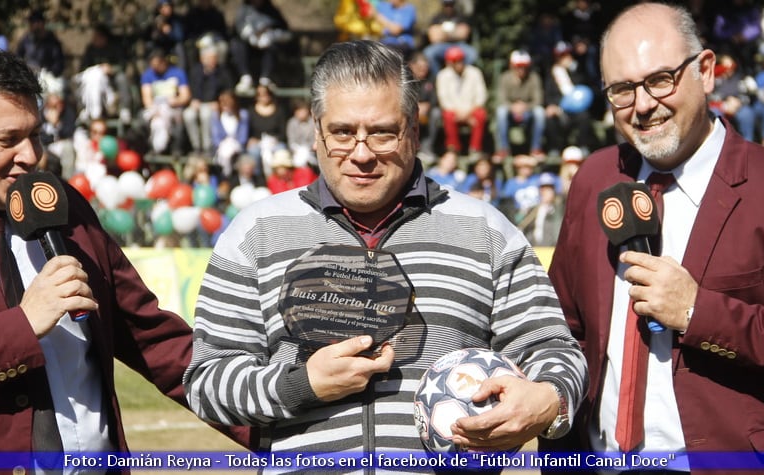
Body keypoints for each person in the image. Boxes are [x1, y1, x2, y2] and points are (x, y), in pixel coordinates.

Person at [184, 40, 586, 459]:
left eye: (381, 133)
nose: (361, 154)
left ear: (412, 130)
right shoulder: (256, 233)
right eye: (342, 133)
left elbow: (553, 350)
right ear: (317, 133)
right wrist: (301, 386)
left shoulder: (486, 231)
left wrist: (548, 400)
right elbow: (207, 383)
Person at [0, 42, 251, 467]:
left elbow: (152, 338)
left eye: (35, 135)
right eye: (7, 140)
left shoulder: (61, 204)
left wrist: (272, 425)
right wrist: (21, 326)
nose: (31, 156)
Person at [543, 2, 764, 470]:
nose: (641, 105)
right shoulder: (595, 177)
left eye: (660, 80)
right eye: (621, 89)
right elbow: (563, 326)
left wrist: (699, 312)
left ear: (707, 71)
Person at [230, 0, 292, 94]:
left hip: (267, 47)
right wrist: (252, 38)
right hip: (248, 49)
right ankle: (245, 77)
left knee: (273, 47)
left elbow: (284, 31)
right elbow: (238, 30)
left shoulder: (271, 11)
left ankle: (265, 79)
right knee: (236, 45)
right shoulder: (243, 10)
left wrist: (270, 35)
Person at [435, 45, 488, 156]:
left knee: (481, 115)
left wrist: (467, 114)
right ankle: (454, 148)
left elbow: (481, 96)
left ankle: (475, 149)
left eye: (460, 60)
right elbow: (444, 100)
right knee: (448, 115)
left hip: (471, 110)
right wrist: (460, 114)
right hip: (454, 111)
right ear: (449, 63)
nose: (458, 63)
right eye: (455, 61)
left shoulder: (474, 72)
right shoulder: (442, 75)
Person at [76, 24, 133, 124]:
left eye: (96, 36)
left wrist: (111, 69)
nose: (94, 39)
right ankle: (84, 109)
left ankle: (124, 109)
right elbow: (83, 67)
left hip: (112, 79)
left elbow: (122, 65)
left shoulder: (114, 47)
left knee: (122, 78)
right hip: (94, 78)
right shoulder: (90, 49)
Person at [494, 49, 546, 158]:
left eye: (524, 66)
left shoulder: (534, 78)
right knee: (501, 111)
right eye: (518, 66)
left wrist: (525, 107)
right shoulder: (505, 78)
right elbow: (501, 99)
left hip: (528, 112)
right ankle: (503, 149)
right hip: (510, 113)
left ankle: (536, 148)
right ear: (512, 66)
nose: (521, 69)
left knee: (540, 112)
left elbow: (538, 100)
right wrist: (513, 107)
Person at [139, 47, 191, 155]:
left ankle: (174, 149)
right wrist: (154, 110)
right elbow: (146, 97)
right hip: (156, 109)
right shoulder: (148, 75)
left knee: (176, 119)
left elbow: (185, 96)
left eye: (157, 64)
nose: (155, 68)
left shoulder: (177, 73)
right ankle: (155, 149)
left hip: (174, 107)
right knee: (154, 122)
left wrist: (175, 101)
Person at [183, 44, 234, 155]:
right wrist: (193, 100)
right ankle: (196, 147)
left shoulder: (222, 72)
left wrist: (220, 103)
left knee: (206, 114)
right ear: (202, 59)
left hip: (213, 105)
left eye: (214, 58)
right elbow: (190, 89)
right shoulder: (195, 71)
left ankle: (207, 147)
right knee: (188, 115)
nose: (213, 61)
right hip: (197, 104)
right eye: (210, 58)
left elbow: (228, 91)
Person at [422, 0, 478, 77]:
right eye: (446, 4)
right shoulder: (437, 18)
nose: (449, 7)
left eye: (451, 4)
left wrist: (442, 33)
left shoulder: (460, 16)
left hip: (459, 45)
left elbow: (464, 34)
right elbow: (433, 37)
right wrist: (455, 32)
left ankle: (461, 77)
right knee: (429, 53)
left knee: (472, 54)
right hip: (441, 46)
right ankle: (437, 78)